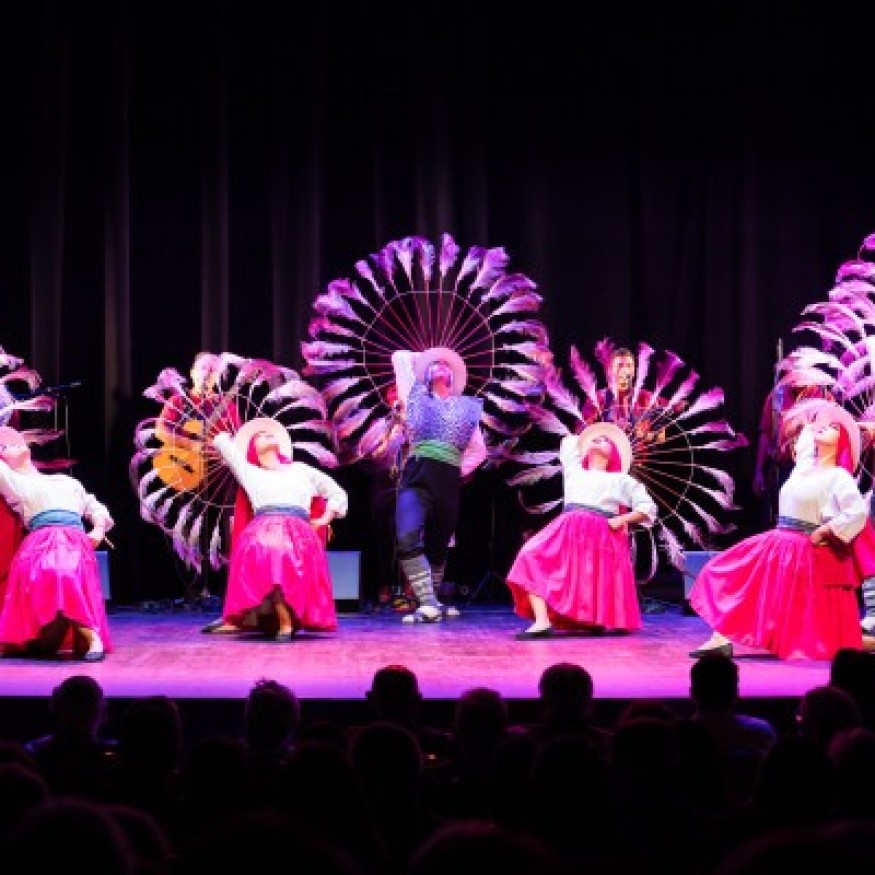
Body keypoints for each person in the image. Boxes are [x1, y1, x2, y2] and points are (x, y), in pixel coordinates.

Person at [688, 402, 868, 660]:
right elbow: (806, 434)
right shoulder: (804, 467)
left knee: (791, 609)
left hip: (804, 548)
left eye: (833, 428)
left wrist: (828, 530)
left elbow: (857, 512)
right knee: (728, 574)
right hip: (778, 542)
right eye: (822, 425)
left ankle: (724, 638)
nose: (823, 428)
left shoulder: (838, 476)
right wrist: (815, 416)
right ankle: (720, 637)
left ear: (842, 442)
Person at [505, 422, 658, 639]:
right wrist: (590, 432)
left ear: (614, 454)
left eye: (606, 440)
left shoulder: (620, 479)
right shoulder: (575, 471)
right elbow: (568, 443)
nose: (600, 439)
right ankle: (542, 622)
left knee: (589, 580)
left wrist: (622, 519)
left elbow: (647, 508)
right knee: (530, 556)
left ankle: (592, 619)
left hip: (600, 534)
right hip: (569, 529)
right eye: (597, 438)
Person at [203, 416, 347, 640]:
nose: (265, 434)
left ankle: (288, 616)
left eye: (268, 433)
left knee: (278, 551)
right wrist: (221, 417)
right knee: (271, 550)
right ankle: (283, 618)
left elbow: (336, 492)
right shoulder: (250, 472)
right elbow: (222, 442)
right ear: (252, 449)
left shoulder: (301, 470)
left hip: (299, 533)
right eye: (259, 436)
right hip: (264, 532)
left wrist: (325, 518)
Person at [0, 425, 112, 661]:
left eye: (15, 441)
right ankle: (90, 634)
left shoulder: (66, 481)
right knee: (58, 573)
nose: (12, 444)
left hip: (74, 540)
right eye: (4, 446)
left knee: (63, 575)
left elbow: (96, 508)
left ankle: (54, 640)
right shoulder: (13, 480)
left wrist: (98, 530)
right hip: (41, 542)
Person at [391, 347, 487, 624]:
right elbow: (399, 357)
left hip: (448, 480)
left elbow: (479, 451)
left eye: (446, 364)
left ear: (455, 377)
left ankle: (430, 604)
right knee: (407, 535)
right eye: (435, 364)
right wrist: (427, 358)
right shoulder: (414, 395)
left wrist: (455, 468)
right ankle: (429, 602)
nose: (440, 365)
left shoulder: (466, 409)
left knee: (438, 544)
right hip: (417, 474)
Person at [752, 381, 834, 528]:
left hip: (814, 468)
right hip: (782, 467)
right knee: (781, 517)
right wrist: (758, 471)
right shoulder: (777, 396)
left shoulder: (823, 396)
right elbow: (765, 433)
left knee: (809, 518)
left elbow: (835, 429)